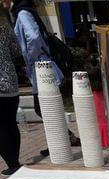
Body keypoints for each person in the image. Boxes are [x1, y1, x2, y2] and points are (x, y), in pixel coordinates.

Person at [4, 0, 78, 156]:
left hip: (41, 67)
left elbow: (34, 37)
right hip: (43, 66)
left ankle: (63, 139)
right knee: (44, 107)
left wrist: (31, 58)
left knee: (43, 107)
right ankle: (64, 138)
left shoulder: (22, 14)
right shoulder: (26, 12)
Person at [0, 6, 22, 175]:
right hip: (10, 81)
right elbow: (16, 51)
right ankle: (15, 162)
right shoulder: (6, 27)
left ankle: (12, 164)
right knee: (10, 123)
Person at [86, 54, 109, 148]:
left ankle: (103, 141)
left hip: (97, 93)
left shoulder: (90, 70)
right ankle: (106, 141)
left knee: (101, 118)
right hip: (101, 92)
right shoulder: (98, 70)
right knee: (103, 118)